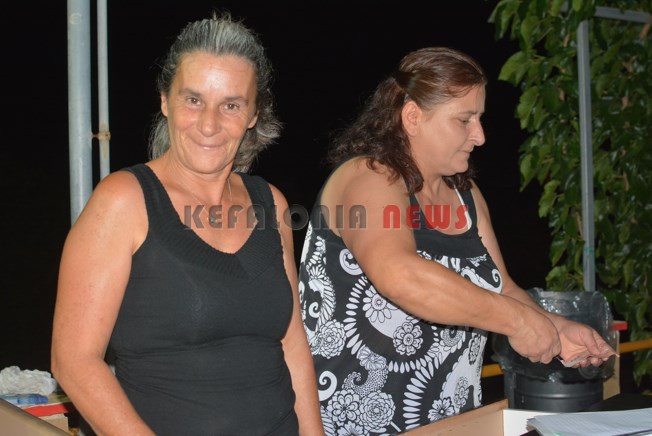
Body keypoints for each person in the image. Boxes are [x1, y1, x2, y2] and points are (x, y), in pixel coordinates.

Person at [298, 47, 616, 434]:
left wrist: (554, 327)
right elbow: (401, 276)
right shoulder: (369, 177)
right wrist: (517, 322)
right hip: (355, 425)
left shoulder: (466, 196)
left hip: (456, 422)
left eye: (479, 119)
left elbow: (502, 288)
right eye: (464, 120)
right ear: (413, 117)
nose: (479, 136)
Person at [51, 12, 323, 435]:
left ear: (253, 113)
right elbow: (74, 360)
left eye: (231, 105)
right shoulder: (124, 201)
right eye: (193, 100)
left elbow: (291, 343)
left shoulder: (270, 203)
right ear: (165, 100)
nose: (209, 124)